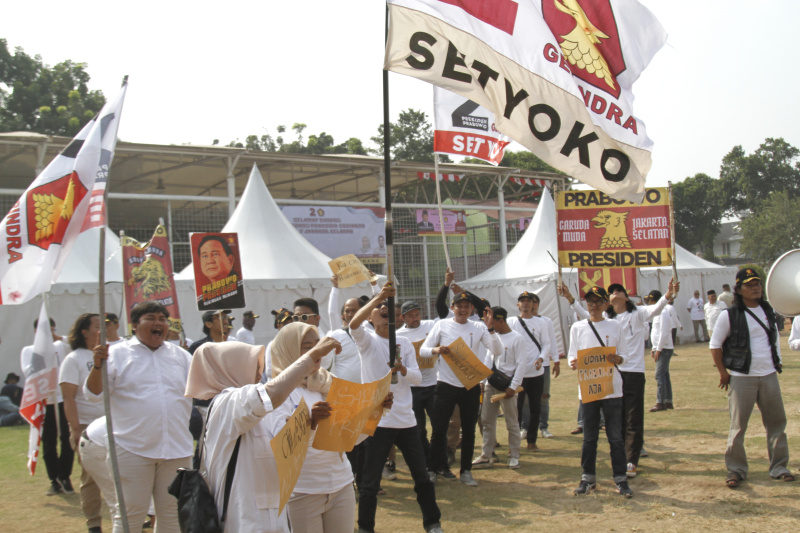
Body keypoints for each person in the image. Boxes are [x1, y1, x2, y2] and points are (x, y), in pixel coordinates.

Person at [185, 337, 340, 533]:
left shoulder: (246, 408)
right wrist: (310, 358)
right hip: (246, 520)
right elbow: (270, 394)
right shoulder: (227, 403)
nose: (259, 375)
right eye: (253, 367)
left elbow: (283, 448)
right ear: (231, 368)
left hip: (271, 515)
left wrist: (310, 425)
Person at [86, 301, 194, 533]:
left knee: (173, 517)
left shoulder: (182, 356)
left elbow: (201, 390)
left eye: (162, 319)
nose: (158, 323)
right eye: (151, 318)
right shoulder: (114, 354)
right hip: (132, 448)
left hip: (176, 450)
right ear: (134, 325)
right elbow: (94, 395)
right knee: (129, 516)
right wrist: (97, 366)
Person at [351, 283, 443, 533]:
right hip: (378, 422)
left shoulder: (402, 341)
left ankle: (433, 523)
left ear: (397, 317)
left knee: (421, 477)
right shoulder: (367, 342)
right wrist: (379, 296)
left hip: (405, 421)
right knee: (369, 483)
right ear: (371, 317)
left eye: (388, 308)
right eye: (379, 308)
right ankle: (365, 527)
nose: (384, 309)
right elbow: (353, 325)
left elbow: (416, 378)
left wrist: (402, 369)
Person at [561, 279, 677, 478]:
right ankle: (622, 455)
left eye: (618, 290)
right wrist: (570, 298)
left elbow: (657, 309)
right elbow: (585, 314)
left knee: (634, 416)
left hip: (633, 370)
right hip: (611, 373)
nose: (615, 293)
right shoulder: (607, 318)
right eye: (611, 291)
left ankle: (632, 459)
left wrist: (668, 294)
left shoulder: (638, 313)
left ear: (625, 295)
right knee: (616, 418)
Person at [709, 268, 793, 487]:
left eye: (757, 284)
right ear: (738, 289)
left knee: (777, 423)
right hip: (741, 376)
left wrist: (777, 360)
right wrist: (723, 373)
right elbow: (715, 345)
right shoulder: (729, 315)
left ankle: (779, 466)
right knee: (738, 426)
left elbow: (773, 339)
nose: (755, 288)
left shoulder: (768, 310)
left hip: (768, 375)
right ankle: (736, 469)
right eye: (749, 284)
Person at [268, 323, 355, 533]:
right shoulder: (276, 393)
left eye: (318, 345)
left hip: (341, 483)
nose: (318, 353)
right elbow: (280, 448)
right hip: (303, 490)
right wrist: (310, 422)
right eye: (307, 347)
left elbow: (351, 435)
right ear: (288, 350)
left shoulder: (327, 381)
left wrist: (375, 409)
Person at [421, 292, 502, 486]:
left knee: (469, 430)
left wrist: (491, 330)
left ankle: (466, 471)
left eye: (466, 307)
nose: (463, 310)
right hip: (446, 384)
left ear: (471, 309)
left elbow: (497, 351)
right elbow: (423, 349)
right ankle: (433, 469)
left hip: (470, 384)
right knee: (439, 429)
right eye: (459, 306)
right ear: (452, 308)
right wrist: (436, 350)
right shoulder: (442, 324)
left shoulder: (479, 327)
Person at [567, 286, 632, 498]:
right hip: (588, 389)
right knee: (589, 437)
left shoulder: (615, 326)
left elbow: (626, 354)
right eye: (590, 302)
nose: (594, 306)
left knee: (615, 437)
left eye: (598, 302)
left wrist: (619, 359)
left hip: (612, 389)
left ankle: (620, 478)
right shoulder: (577, 327)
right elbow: (571, 355)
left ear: (606, 304)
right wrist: (573, 363)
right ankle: (588, 477)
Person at [396, 270, 453, 469]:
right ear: (403, 317)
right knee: (419, 430)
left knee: (439, 428)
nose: (415, 318)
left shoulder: (431, 325)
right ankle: (427, 463)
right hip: (413, 388)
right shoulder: (398, 336)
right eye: (411, 315)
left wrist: (446, 285)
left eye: (417, 314)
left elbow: (443, 311)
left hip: (434, 385)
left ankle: (442, 465)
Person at [60, 313, 106, 533]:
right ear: (84, 332)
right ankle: (94, 524)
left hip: (115, 425)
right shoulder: (73, 359)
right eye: (98, 326)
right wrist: (76, 429)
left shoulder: (111, 353)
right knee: (91, 478)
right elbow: (68, 398)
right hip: (88, 427)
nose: (103, 329)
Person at [21, 317, 73, 496]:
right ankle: (54, 479)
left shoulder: (60, 346)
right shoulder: (28, 351)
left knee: (67, 438)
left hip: (62, 399)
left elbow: (74, 343)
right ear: (36, 332)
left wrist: (58, 337)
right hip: (45, 402)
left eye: (51, 329)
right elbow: (29, 372)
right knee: (48, 442)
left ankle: (65, 475)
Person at [473, 306, 526, 469]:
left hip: (508, 388)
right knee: (487, 420)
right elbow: (489, 359)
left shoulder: (517, 339)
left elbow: (521, 364)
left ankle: (514, 455)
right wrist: (482, 381)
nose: (488, 324)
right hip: (491, 385)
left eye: (491, 321)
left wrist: (513, 386)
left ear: (500, 320)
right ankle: (486, 455)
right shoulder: (493, 337)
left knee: (512, 422)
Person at [506, 292, 549, 451]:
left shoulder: (541, 323)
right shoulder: (511, 321)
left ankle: (532, 440)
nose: (525, 304)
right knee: (515, 409)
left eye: (528, 301)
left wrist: (542, 358)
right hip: (518, 373)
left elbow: (546, 344)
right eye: (522, 301)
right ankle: (515, 442)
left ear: (534, 304)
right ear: (518, 304)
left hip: (536, 372)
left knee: (535, 407)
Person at [649, 290, 677, 412]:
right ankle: (667, 401)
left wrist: (658, 349)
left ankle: (660, 402)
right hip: (661, 347)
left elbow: (664, 332)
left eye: (651, 300)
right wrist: (654, 347)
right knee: (664, 375)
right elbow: (655, 331)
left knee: (659, 375)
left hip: (665, 348)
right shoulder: (657, 313)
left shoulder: (664, 313)